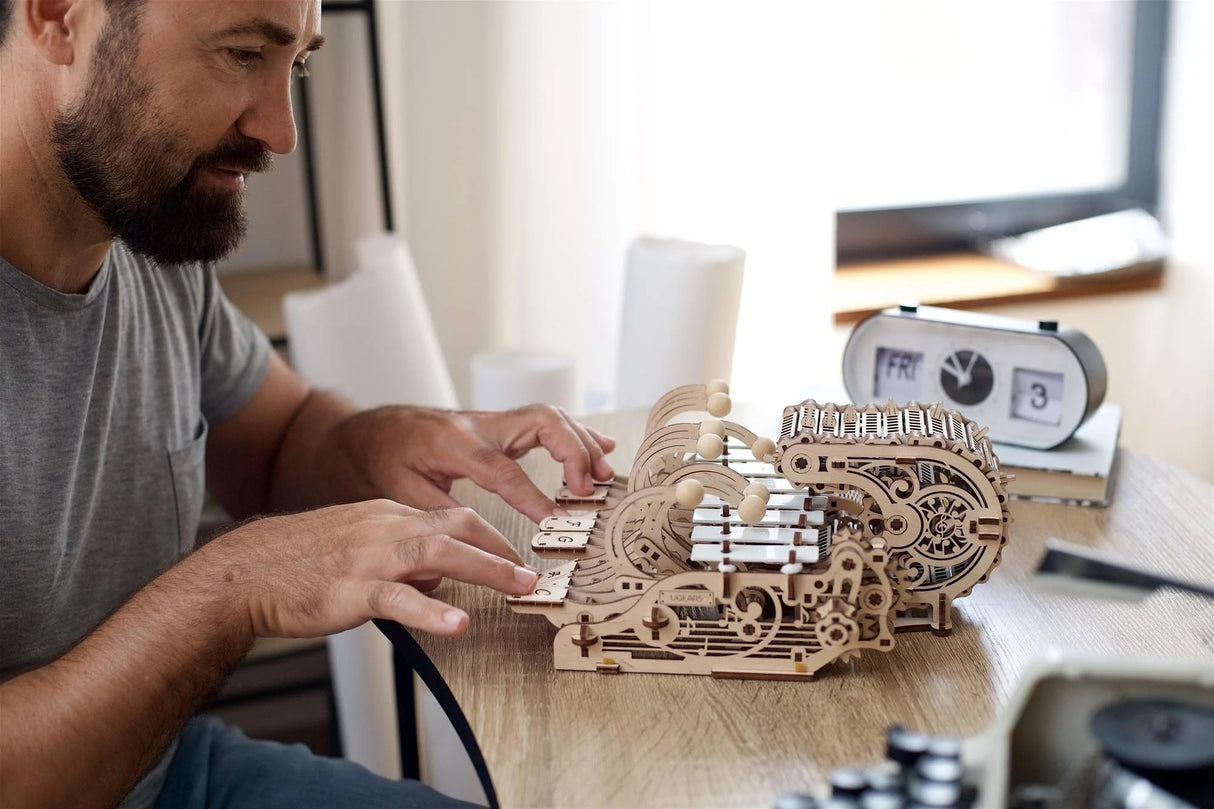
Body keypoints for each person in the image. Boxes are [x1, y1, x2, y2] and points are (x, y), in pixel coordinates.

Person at [0, 1, 616, 807]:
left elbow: (282, 439)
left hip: (164, 772)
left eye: (297, 62)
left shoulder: (150, 226)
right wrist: (230, 586)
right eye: (242, 53)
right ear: (57, 17)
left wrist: (389, 441)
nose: (281, 132)